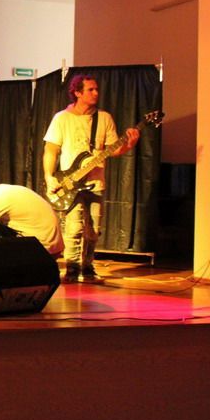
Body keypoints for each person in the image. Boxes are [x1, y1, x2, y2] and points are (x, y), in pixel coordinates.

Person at [42, 74, 139, 284]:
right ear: (77, 93)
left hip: (95, 182)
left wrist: (129, 144)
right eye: (90, 90)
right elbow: (51, 150)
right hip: (71, 181)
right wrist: (49, 177)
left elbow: (113, 149)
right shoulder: (62, 118)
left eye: (96, 89)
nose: (96, 93)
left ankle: (87, 267)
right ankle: (71, 268)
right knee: (74, 227)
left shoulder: (104, 118)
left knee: (94, 229)